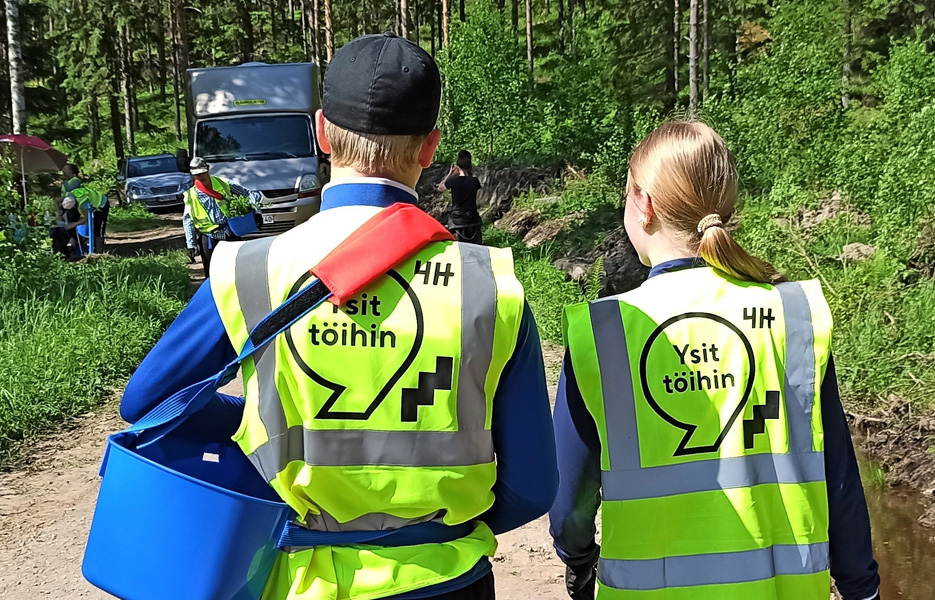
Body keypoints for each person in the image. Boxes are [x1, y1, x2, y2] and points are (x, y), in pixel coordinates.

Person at [121, 32, 558, 600]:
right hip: (448, 580)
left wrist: (253, 420)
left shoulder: (252, 268)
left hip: (298, 578)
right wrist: (434, 533)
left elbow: (148, 405)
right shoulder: (490, 285)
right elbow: (532, 485)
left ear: (323, 133)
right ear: (431, 148)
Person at [548, 121, 881, 600]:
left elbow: (569, 504)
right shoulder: (791, 314)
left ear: (644, 206)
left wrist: (578, 557)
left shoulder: (604, 333)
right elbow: (840, 481)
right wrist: (861, 588)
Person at [182, 156, 262, 276]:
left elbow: (249, 194)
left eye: (203, 173)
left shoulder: (224, 183)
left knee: (238, 271)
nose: (201, 177)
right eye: (197, 175)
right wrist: (191, 244)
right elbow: (188, 221)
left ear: (208, 170)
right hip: (209, 238)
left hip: (230, 232)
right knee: (213, 275)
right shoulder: (190, 195)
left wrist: (257, 212)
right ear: (193, 175)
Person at [436, 150, 483, 244]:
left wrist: (450, 174)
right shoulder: (474, 181)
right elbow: (478, 196)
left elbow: (440, 188)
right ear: (470, 165)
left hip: (457, 221)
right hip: (472, 220)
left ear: (458, 166)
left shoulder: (453, 181)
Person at [63, 184, 110, 253]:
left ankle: (98, 252)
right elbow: (56, 201)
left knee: (98, 228)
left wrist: (73, 224)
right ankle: (83, 246)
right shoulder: (69, 195)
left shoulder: (83, 203)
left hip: (101, 204)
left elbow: (86, 218)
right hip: (91, 203)